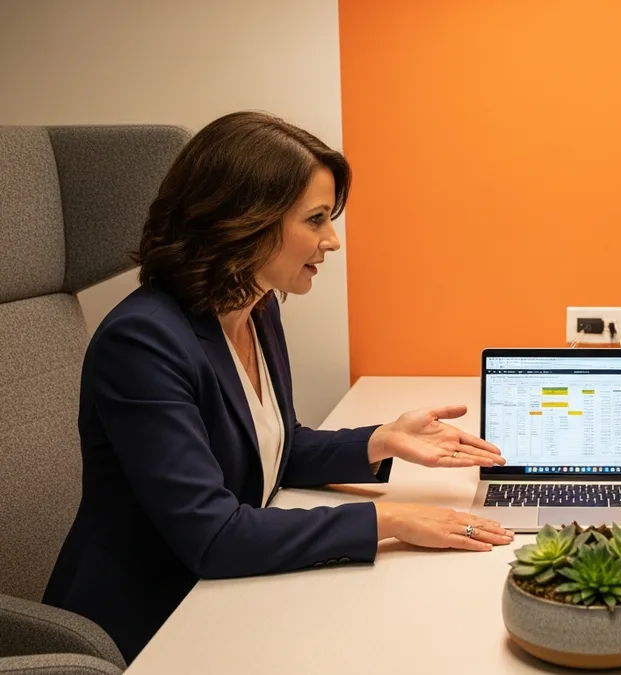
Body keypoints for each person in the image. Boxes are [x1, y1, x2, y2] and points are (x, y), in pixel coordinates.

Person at [42, 111, 514, 662]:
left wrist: (381, 440)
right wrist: (389, 520)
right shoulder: (143, 342)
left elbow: (272, 449)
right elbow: (213, 536)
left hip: (225, 598)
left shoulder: (256, 308)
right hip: (150, 623)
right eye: (316, 220)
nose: (332, 241)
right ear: (243, 220)